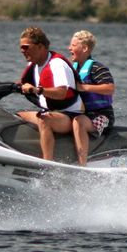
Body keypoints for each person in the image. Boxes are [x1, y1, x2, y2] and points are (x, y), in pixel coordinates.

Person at [17, 26, 84, 161]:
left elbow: (62, 93)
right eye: (21, 48)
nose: (22, 51)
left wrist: (37, 90)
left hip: (70, 115)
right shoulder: (34, 65)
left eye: (25, 47)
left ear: (40, 46)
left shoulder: (57, 64)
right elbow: (24, 84)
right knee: (17, 116)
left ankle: (47, 165)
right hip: (51, 111)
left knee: (44, 120)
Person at [68, 30, 115, 166]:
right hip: (83, 113)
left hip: (102, 116)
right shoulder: (72, 69)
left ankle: (82, 165)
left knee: (79, 122)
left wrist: (85, 87)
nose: (69, 48)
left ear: (84, 48)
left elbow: (110, 88)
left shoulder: (97, 68)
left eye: (73, 45)